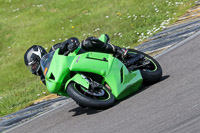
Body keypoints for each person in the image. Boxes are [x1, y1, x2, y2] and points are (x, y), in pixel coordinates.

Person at [24, 34, 128, 85]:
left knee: (87, 42)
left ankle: (119, 51)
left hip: (81, 57)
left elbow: (71, 40)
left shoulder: (54, 50)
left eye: (33, 65)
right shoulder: (45, 78)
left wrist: (71, 44)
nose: (33, 69)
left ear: (39, 57)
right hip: (77, 73)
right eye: (31, 67)